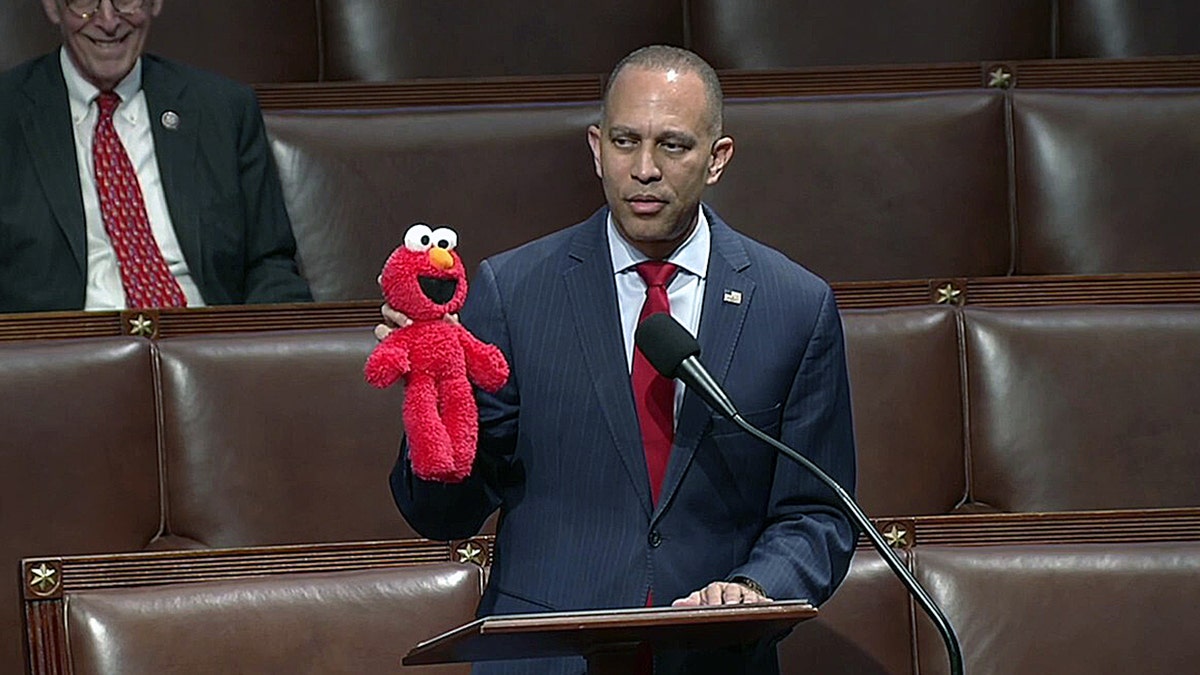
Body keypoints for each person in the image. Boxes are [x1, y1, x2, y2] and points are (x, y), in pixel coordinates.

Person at [387, 45, 857, 675]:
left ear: (717, 159)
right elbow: (441, 514)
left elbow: (820, 512)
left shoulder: (795, 307)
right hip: (548, 657)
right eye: (625, 140)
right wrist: (434, 404)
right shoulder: (516, 291)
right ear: (595, 147)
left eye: (672, 146)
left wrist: (754, 590)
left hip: (711, 658)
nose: (643, 169)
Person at [0, 0, 311, 313]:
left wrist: (252, 351)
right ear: (52, 7)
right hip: (69, 350)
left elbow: (271, 265)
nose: (108, 21)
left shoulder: (223, 109)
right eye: (85, 3)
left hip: (204, 341)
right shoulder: (8, 113)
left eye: (125, 0)